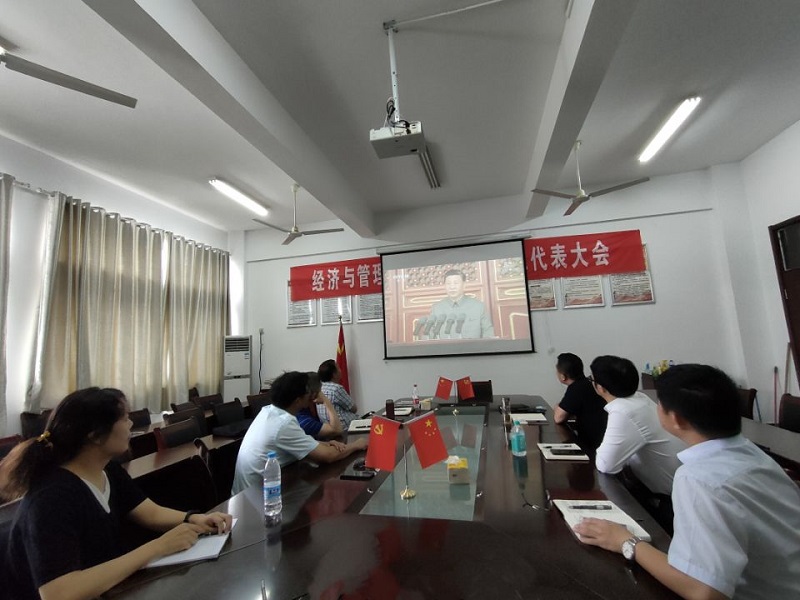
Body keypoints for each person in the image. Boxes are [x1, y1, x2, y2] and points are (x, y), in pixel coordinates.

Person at [575, 364, 800, 600]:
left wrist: (624, 541)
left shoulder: (698, 478)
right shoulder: (755, 455)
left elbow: (703, 591)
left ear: (676, 419)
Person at [0, 388, 232, 600]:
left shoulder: (106, 469)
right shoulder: (50, 498)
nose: (131, 424)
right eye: (124, 418)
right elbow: (59, 593)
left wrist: (193, 518)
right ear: (95, 435)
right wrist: (157, 547)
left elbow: (149, 512)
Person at [232, 371, 368, 494]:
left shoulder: (269, 411)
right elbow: (328, 456)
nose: (311, 396)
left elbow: (299, 442)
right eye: (307, 392)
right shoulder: (283, 424)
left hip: (255, 491)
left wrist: (325, 444)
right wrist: (356, 445)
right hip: (258, 497)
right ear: (298, 400)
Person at [590, 355, 685, 497]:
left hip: (666, 499)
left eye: (591, 380)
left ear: (601, 387)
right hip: (674, 486)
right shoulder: (639, 399)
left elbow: (606, 465)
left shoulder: (624, 411)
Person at [553, 352, 608, 453]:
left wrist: (557, 406)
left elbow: (558, 417)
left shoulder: (576, 389)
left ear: (563, 376)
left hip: (592, 444)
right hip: (601, 438)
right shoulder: (588, 384)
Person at [429, 269, 494, 339]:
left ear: (464, 285)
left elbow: (488, 333)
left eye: (456, 283)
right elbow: (431, 336)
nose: (452, 287)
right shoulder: (437, 308)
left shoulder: (478, 306)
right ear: (444, 286)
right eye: (448, 283)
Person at [295, 372, 344, 438]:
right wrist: (326, 401)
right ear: (314, 393)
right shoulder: (304, 420)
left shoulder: (309, 408)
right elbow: (337, 430)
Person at [317, 359, 358, 430]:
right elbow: (353, 408)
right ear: (334, 374)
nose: (340, 370)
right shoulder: (336, 388)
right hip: (347, 428)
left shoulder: (319, 388)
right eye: (338, 368)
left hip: (329, 428)